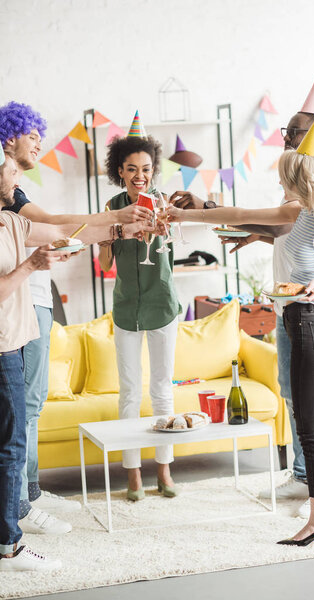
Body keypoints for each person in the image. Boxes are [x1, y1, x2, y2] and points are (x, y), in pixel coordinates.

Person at [166, 116, 314, 545]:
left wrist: (185, 214)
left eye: (285, 179)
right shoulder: (297, 218)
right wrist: (249, 235)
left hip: (311, 322)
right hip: (297, 319)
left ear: (302, 180)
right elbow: (264, 227)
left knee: (310, 427)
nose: (281, 186)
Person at [0, 101, 150, 535]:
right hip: (12, 315)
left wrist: (121, 228)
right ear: (10, 139)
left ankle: (27, 499)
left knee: (29, 407)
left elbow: (61, 233)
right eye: (33, 137)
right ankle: (21, 510)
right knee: (19, 416)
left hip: (26, 309)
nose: (39, 147)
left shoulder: (13, 198)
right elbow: (57, 224)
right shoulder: (8, 198)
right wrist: (117, 218)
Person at [98, 133, 181, 501]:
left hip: (162, 304)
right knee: (130, 393)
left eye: (146, 169)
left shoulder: (165, 205)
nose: (139, 176)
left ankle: (164, 471)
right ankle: (133, 474)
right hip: (126, 306)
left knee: (162, 390)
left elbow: (172, 249)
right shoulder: (112, 206)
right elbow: (105, 264)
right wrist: (104, 240)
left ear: (153, 171)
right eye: (132, 169)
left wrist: (167, 229)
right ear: (120, 171)